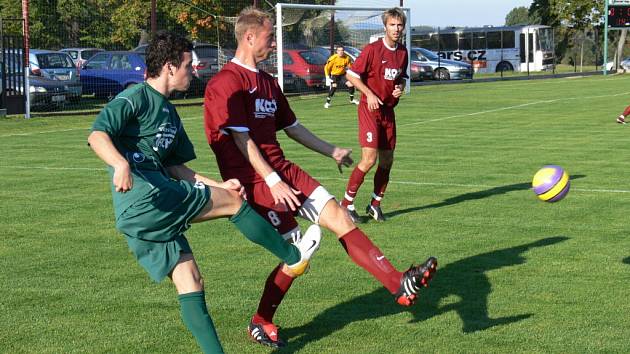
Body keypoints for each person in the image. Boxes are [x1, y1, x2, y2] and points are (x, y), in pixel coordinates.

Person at [203, 7, 437, 348]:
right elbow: (242, 140)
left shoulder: (268, 82)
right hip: (252, 181)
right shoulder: (227, 82)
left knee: (339, 216)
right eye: (270, 37)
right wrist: (271, 182)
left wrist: (331, 151)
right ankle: (261, 320)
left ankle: (398, 284)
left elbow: (292, 127)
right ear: (249, 37)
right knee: (298, 253)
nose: (273, 43)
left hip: (282, 170)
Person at [87, 30, 320, 354]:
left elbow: (179, 170)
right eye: (187, 65)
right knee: (235, 202)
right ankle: (293, 258)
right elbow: (98, 135)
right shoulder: (135, 96)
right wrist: (120, 164)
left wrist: (218, 185)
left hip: (150, 210)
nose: (192, 71)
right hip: (146, 199)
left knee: (191, 281)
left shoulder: (169, 113)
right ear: (169, 67)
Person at [340, 8, 409, 223]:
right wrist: (368, 93)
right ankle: (346, 205)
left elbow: (402, 78)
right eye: (392, 25)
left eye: (399, 25)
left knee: (387, 160)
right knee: (369, 159)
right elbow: (351, 74)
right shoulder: (372, 49)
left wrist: (400, 88)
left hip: (388, 112)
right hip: (369, 110)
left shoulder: (403, 52)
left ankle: (375, 204)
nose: (396, 29)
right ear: (385, 26)